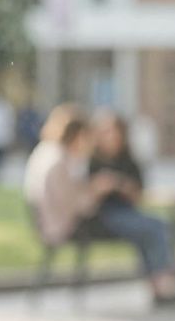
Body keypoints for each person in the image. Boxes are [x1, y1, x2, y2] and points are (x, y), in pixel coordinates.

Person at [87, 109, 175, 305]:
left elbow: (138, 196)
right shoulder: (92, 161)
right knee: (155, 228)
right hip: (103, 215)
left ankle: (160, 287)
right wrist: (100, 187)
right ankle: (164, 284)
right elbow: (85, 196)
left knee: (157, 230)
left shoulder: (128, 161)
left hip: (127, 211)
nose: (110, 137)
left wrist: (121, 185)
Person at [23, 104, 110, 248]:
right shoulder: (58, 160)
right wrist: (95, 191)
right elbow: (74, 205)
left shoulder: (45, 151)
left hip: (49, 220)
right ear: (79, 135)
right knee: (121, 221)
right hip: (58, 225)